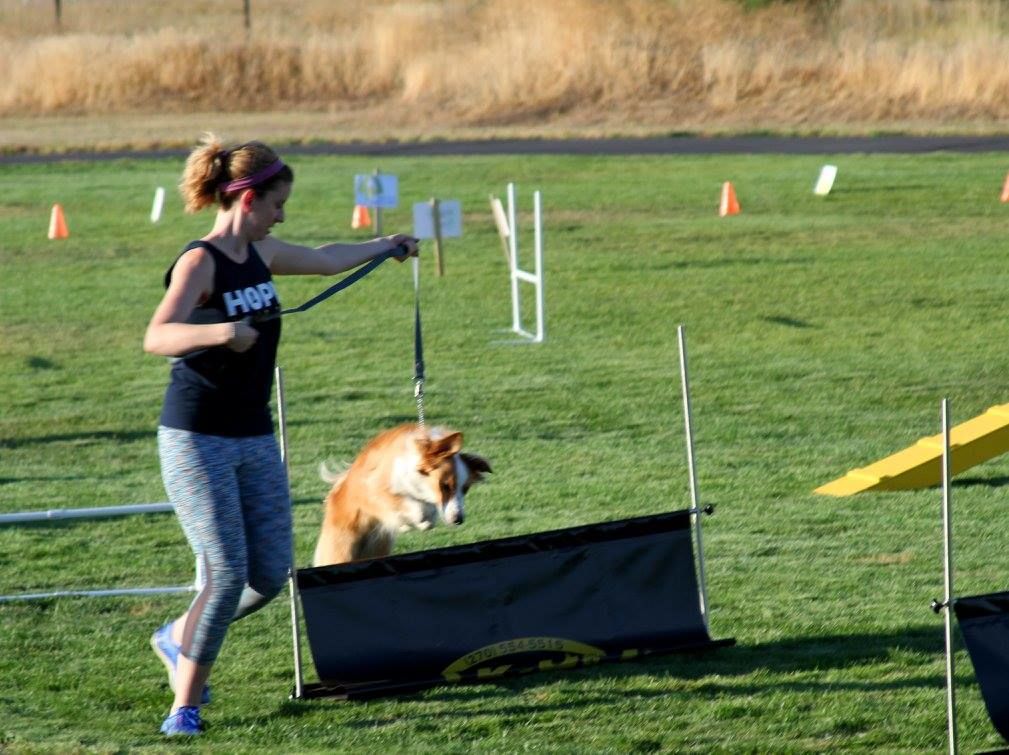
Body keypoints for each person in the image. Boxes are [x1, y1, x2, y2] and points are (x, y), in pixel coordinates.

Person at [143, 134, 417, 736]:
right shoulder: (202, 262)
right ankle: (183, 707)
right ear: (245, 199)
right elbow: (158, 335)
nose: (281, 215)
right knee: (224, 572)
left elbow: (322, 257)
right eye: (275, 204)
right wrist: (219, 334)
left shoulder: (260, 256)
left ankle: (176, 638)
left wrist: (386, 246)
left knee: (268, 575)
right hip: (197, 437)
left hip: (254, 435)